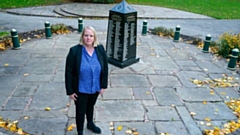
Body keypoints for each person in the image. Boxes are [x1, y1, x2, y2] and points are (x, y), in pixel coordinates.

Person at [65, 26, 108, 135]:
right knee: (80, 111)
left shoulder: (100, 49)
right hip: (80, 89)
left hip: (95, 87)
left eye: (91, 36)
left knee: (90, 106)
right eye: (86, 35)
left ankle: (90, 123)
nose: (88, 38)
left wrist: (103, 85)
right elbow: (68, 72)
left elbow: (105, 67)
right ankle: (80, 131)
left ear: (94, 37)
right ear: (82, 36)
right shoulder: (74, 51)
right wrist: (70, 91)